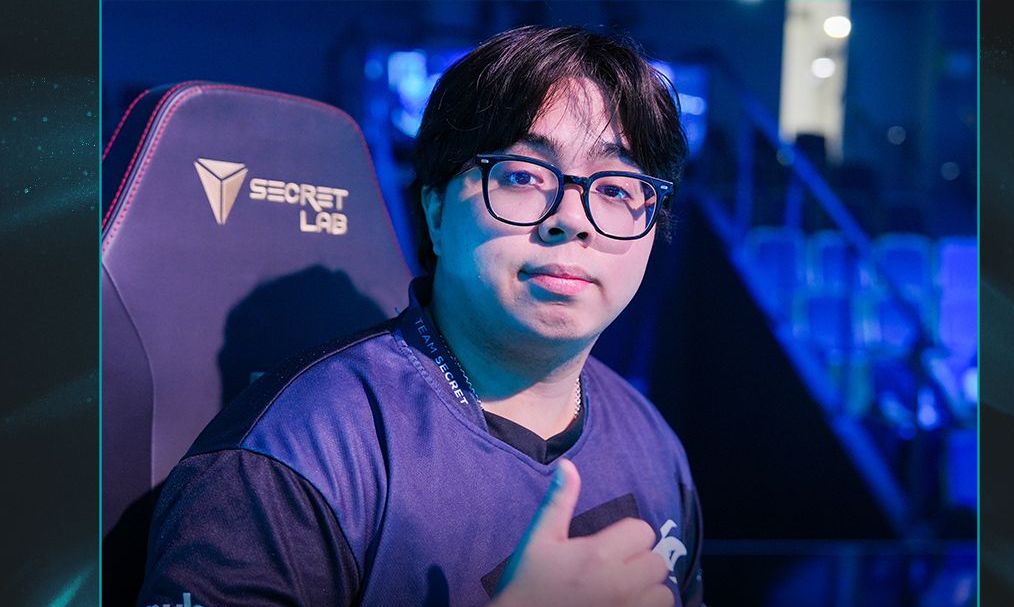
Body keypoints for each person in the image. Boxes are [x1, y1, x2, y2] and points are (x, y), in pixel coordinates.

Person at [137, 25, 703, 607]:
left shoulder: (650, 441)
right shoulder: (293, 457)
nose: (573, 219)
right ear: (435, 213)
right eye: (522, 176)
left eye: (616, 189)